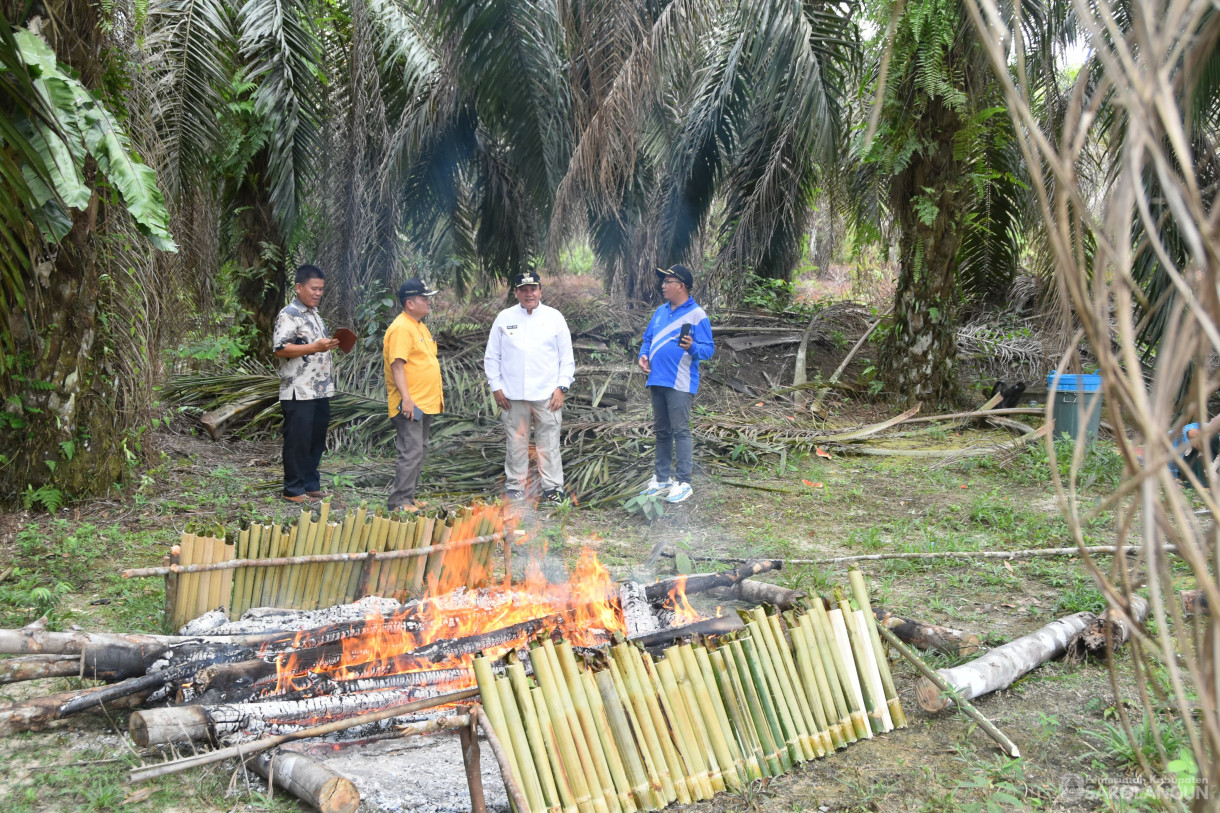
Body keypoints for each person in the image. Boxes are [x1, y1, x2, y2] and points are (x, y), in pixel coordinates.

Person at [484, 270, 575, 503]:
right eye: (523, 289)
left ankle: (552, 489)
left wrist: (561, 388)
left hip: (547, 394)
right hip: (512, 395)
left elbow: (567, 357)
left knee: (549, 445)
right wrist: (496, 387)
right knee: (516, 442)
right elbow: (492, 356)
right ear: (515, 292)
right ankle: (516, 487)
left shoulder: (554, 317)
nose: (529, 294)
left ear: (540, 291)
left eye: (533, 289)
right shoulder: (504, 318)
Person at [637, 263, 715, 503]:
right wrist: (644, 354)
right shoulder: (660, 311)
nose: (662, 286)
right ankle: (662, 480)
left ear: (681, 286)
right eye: (663, 281)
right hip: (657, 379)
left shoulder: (697, 314)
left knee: (680, 431)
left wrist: (692, 346)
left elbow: (708, 350)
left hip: (680, 382)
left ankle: (684, 482)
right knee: (662, 431)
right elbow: (648, 338)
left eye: (667, 282)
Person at [273, 265, 340, 503]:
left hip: (320, 389)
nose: (318, 293)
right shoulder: (289, 314)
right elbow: (281, 349)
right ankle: (292, 489)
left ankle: (311, 484)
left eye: (321, 289)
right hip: (298, 390)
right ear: (299, 287)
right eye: (314, 288)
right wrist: (315, 347)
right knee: (298, 440)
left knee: (315, 439)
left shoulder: (314, 314)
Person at [383, 278, 443, 511]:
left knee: (419, 449)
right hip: (410, 403)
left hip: (424, 403)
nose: (428, 302)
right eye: (423, 298)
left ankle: (408, 497)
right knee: (410, 452)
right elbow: (398, 365)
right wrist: (406, 399)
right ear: (410, 302)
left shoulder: (419, 326)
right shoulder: (401, 328)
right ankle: (398, 502)